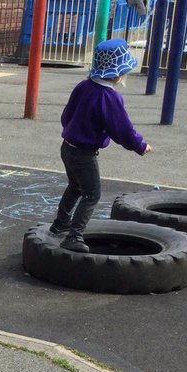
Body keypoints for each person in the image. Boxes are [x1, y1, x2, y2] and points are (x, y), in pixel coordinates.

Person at [50, 38, 152, 255]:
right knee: (92, 194)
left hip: (67, 147)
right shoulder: (109, 96)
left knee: (76, 186)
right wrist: (140, 145)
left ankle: (61, 223)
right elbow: (122, 129)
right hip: (84, 153)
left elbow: (67, 114)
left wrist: (73, 129)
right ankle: (74, 236)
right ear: (118, 73)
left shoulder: (83, 86)